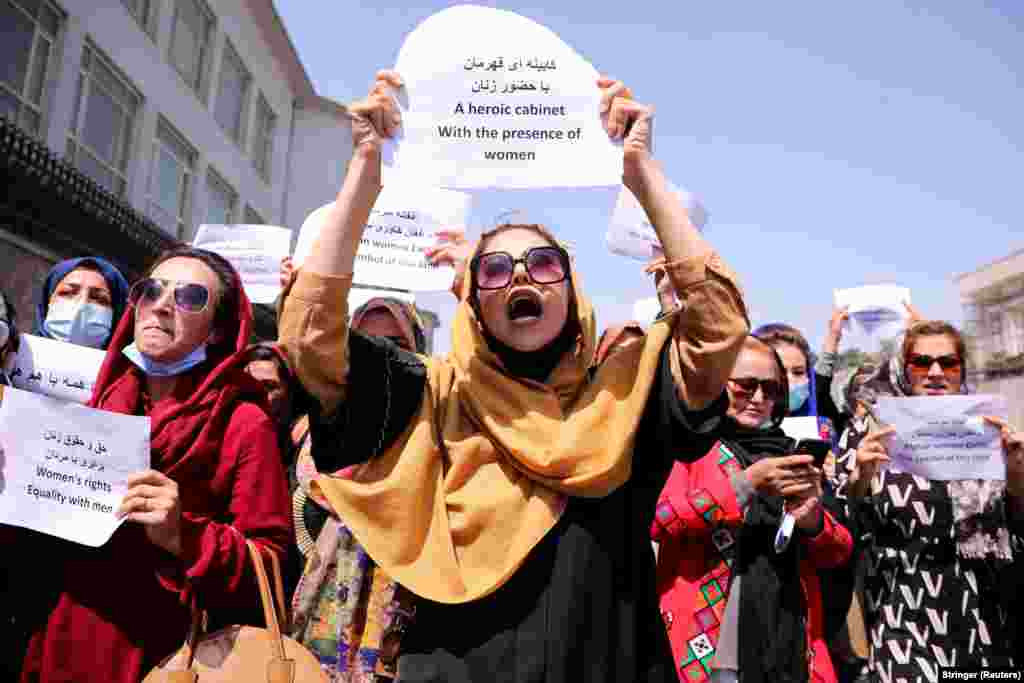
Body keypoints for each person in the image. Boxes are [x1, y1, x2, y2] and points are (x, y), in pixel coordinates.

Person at [278, 70, 748, 681]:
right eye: (495, 268)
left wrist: (642, 176)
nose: (521, 277)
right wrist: (366, 173)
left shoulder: (628, 392)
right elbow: (308, 337)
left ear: (571, 289)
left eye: (543, 262)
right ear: (472, 300)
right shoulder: (429, 394)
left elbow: (717, 327)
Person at [5, 247, 291, 682]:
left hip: (163, 654)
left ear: (217, 330)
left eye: (190, 297)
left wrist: (183, 534)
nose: (162, 304)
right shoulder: (99, 398)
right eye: (151, 289)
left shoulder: (242, 420)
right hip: (63, 636)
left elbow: (269, 564)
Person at [653, 336, 853, 683]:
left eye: (771, 388)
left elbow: (839, 551)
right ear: (717, 383)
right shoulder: (687, 447)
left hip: (789, 646)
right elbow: (662, 519)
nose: (759, 398)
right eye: (745, 386)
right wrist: (744, 486)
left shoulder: (792, 452)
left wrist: (811, 521)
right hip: (711, 653)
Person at [831, 320, 1024, 678]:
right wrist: (859, 480)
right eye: (921, 362)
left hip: (985, 619)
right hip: (903, 617)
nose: (935, 372)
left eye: (948, 363)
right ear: (904, 369)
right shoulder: (870, 430)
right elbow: (840, 531)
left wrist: (1017, 475)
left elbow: (1016, 528)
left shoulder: (992, 428)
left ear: (961, 369)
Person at [287, 295, 427, 621]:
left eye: (395, 342)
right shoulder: (305, 434)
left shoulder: (437, 436)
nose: (379, 350)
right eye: (363, 340)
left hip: (402, 626)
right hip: (302, 625)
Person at [34, 256, 130, 350]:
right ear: (47, 301)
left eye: (98, 298)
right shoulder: (20, 357)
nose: (81, 305)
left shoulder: (130, 366)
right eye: (67, 293)